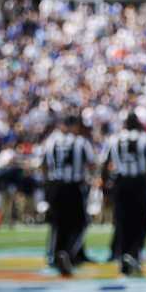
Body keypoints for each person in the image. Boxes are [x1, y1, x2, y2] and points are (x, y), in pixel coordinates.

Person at [101, 112, 146, 276]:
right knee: (144, 221)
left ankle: (124, 261)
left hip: (121, 182)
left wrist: (105, 189)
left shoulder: (115, 138)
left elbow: (105, 164)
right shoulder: (145, 139)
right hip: (138, 182)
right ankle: (133, 253)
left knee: (123, 222)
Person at [42, 114, 95, 277]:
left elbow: (44, 166)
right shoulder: (81, 142)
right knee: (80, 223)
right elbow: (91, 164)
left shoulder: (51, 141)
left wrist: (49, 185)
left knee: (58, 223)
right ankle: (68, 253)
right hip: (74, 185)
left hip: (56, 185)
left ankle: (53, 256)